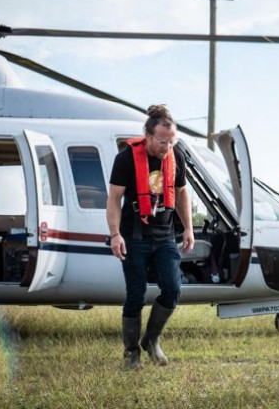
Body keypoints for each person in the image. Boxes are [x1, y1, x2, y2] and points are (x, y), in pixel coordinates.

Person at [106, 104, 194, 369]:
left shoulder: (175, 156)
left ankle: (151, 341)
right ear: (147, 135)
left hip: (165, 234)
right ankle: (131, 352)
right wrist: (114, 235)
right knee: (136, 294)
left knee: (173, 289)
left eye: (171, 141)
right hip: (134, 235)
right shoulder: (125, 158)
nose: (167, 147)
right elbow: (114, 199)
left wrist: (188, 227)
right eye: (162, 141)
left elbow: (181, 193)